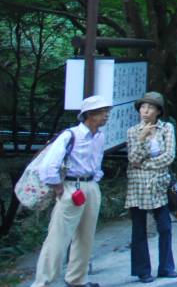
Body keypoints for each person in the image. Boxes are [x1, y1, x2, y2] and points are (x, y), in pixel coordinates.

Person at [31, 95, 112, 287]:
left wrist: (95, 179)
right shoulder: (70, 135)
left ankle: (76, 279)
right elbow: (48, 166)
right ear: (89, 115)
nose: (106, 116)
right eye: (102, 112)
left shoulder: (99, 136)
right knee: (59, 237)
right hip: (71, 187)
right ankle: (43, 282)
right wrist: (58, 186)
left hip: (91, 186)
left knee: (86, 236)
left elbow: (97, 162)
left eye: (107, 112)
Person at [126, 92, 177, 283]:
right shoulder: (133, 131)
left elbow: (169, 156)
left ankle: (166, 266)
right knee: (138, 229)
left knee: (165, 226)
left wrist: (146, 165)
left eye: (150, 108)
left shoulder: (166, 128)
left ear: (158, 111)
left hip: (159, 184)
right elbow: (133, 159)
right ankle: (142, 271)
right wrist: (141, 138)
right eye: (142, 107)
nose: (145, 111)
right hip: (138, 185)